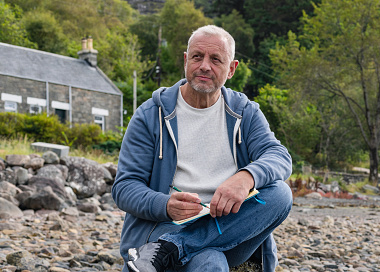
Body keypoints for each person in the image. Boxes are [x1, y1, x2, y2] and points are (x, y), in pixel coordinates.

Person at [111, 25, 293, 272]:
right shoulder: (150, 114)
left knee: (281, 193)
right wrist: (165, 205)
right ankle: (172, 245)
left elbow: (279, 157)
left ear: (231, 69)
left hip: (229, 226)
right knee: (210, 262)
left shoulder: (245, 112)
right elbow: (124, 188)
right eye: (197, 57)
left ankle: (172, 248)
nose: (205, 66)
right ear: (186, 61)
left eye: (216, 59)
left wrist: (245, 178)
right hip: (167, 225)